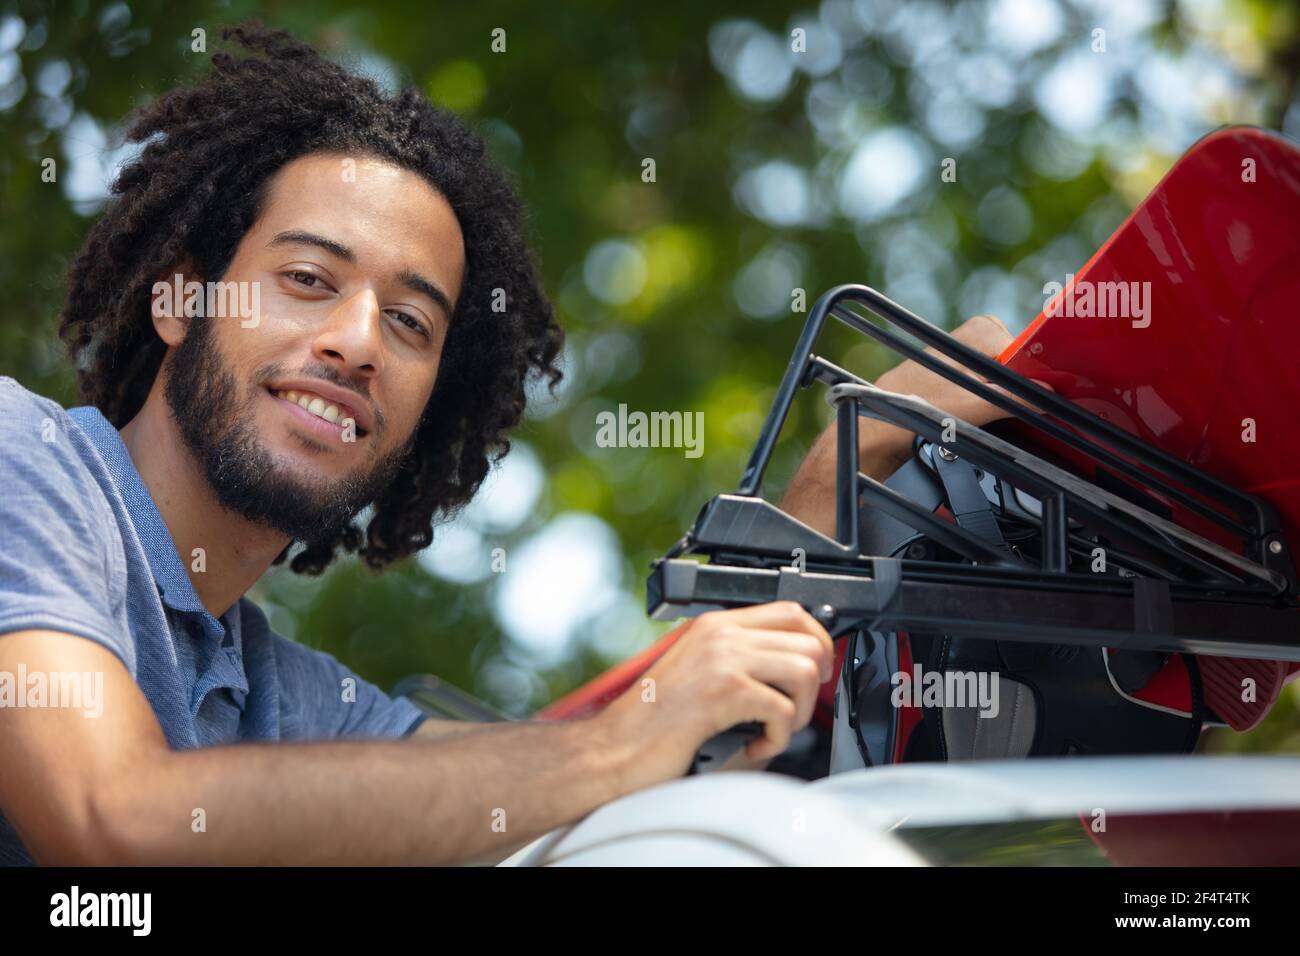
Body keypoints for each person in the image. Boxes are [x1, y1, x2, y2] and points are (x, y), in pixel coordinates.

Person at [0, 23, 1012, 865]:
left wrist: (830, 480)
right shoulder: (24, 457)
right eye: (309, 278)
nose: (357, 342)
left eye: (410, 322)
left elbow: (590, 785)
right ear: (181, 301)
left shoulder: (294, 701)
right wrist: (622, 743)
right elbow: (110, 815)